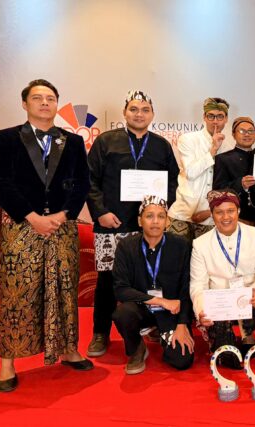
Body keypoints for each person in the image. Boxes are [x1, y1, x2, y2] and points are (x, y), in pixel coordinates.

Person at [0, 79, 93, 392]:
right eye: (37, 98)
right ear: (25, 104)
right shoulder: (7, 138)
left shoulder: (72, 141)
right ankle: (7, 363)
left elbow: (82, 183)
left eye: (50, 98)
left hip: (62, 227)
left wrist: (62, 215)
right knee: (17, 294)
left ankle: (68, 349)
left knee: (64, 289)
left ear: (56, 103)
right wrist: (32, 217)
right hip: (22, 226)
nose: (45, 103)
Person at [86, 90, 179, 357]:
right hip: (111, 224)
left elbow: (172, 182)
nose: (139, 114)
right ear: (124, 112)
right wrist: (100, 212)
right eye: (134, 109)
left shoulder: (161, 146)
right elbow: (89, 180)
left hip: (149, 228)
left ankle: (152, 326)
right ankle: (100, 333)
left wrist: (160, 214)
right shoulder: (106, 141)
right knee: (107, 282)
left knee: (150, 277)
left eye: (145, 110)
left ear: (153, 114)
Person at [112, 196, 194, 374]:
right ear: (139, 221)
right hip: (142, 307)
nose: (155, 221)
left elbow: (186, 287)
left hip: (172, 312)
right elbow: (121, 290)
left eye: (161, 216)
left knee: (182, 359)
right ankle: (137, 348)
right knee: (123, 313)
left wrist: (182, 324)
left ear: (167, 222)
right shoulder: (126, 246)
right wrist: (159, 301)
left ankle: (161, 333)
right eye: (149, 216)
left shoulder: (181, 246)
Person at [190, 190, 255, 368]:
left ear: (238, 211)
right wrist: (201, 310)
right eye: (219, 212)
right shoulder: (200, 244)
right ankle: (222, 337)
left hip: (249, 300)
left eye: (230, 211)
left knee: (250, 311)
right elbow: (197, 285)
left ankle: (247, 334)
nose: (226, 217)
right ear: (212, 214)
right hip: (219, 304)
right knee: (227, 356)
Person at [168, 98, 229, 240]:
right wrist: (213, 150)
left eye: (220, 116)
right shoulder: (188, 139)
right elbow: (190, 173)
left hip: (210, 217)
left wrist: (210, 211)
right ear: (204, 117)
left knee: (206, 254)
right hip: (182, 213)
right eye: (211, 116)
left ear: (226, 119)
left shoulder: (228, 147)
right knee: (177, 253)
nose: (215, 121)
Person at [214, 116, 255, 227]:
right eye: (242, 131)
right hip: (237, 218)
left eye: (251, 131)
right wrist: (240, 184)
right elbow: (218, 190)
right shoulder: (223, 159)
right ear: (233, 134)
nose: (247, 134)